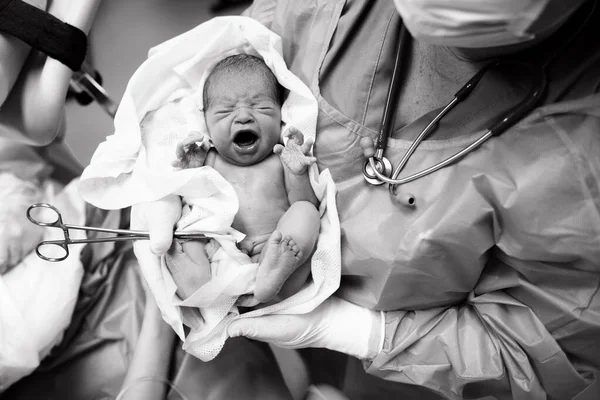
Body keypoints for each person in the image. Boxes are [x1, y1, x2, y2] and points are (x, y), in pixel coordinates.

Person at [130, 0, 600, 399]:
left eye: (260, 109)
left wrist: (360, 333)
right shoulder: (337, 12)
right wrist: (164, 173)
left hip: (416, 374)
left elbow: (554, 355)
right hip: (234, 268)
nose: (244, 118)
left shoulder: (582, 162)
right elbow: (221, 58)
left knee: (300, 220)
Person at [167, 54, 320, 302]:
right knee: (186, 230)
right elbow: (194, 203)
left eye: (261, 108)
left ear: (280, 116)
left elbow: (304, 201)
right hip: (221, 252)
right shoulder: (210, 160)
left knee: (306, 214)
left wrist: (298, 172)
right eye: (226, 111)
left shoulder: (279, 158)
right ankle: (196, 282)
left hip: (276, 244)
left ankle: (275, 275)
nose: (243, 117)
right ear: (207, 124)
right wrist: (192, 172)